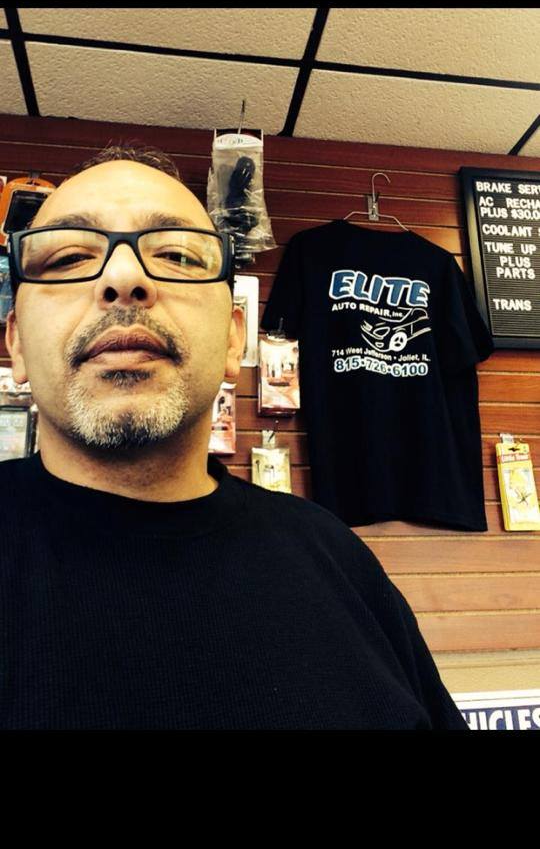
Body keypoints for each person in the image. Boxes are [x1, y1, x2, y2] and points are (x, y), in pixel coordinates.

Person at [0, 144, 468, 730]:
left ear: (232, 339)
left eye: (175, 255)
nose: (124, 277)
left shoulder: (335, 556)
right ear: (16, 344)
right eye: (69, 257)